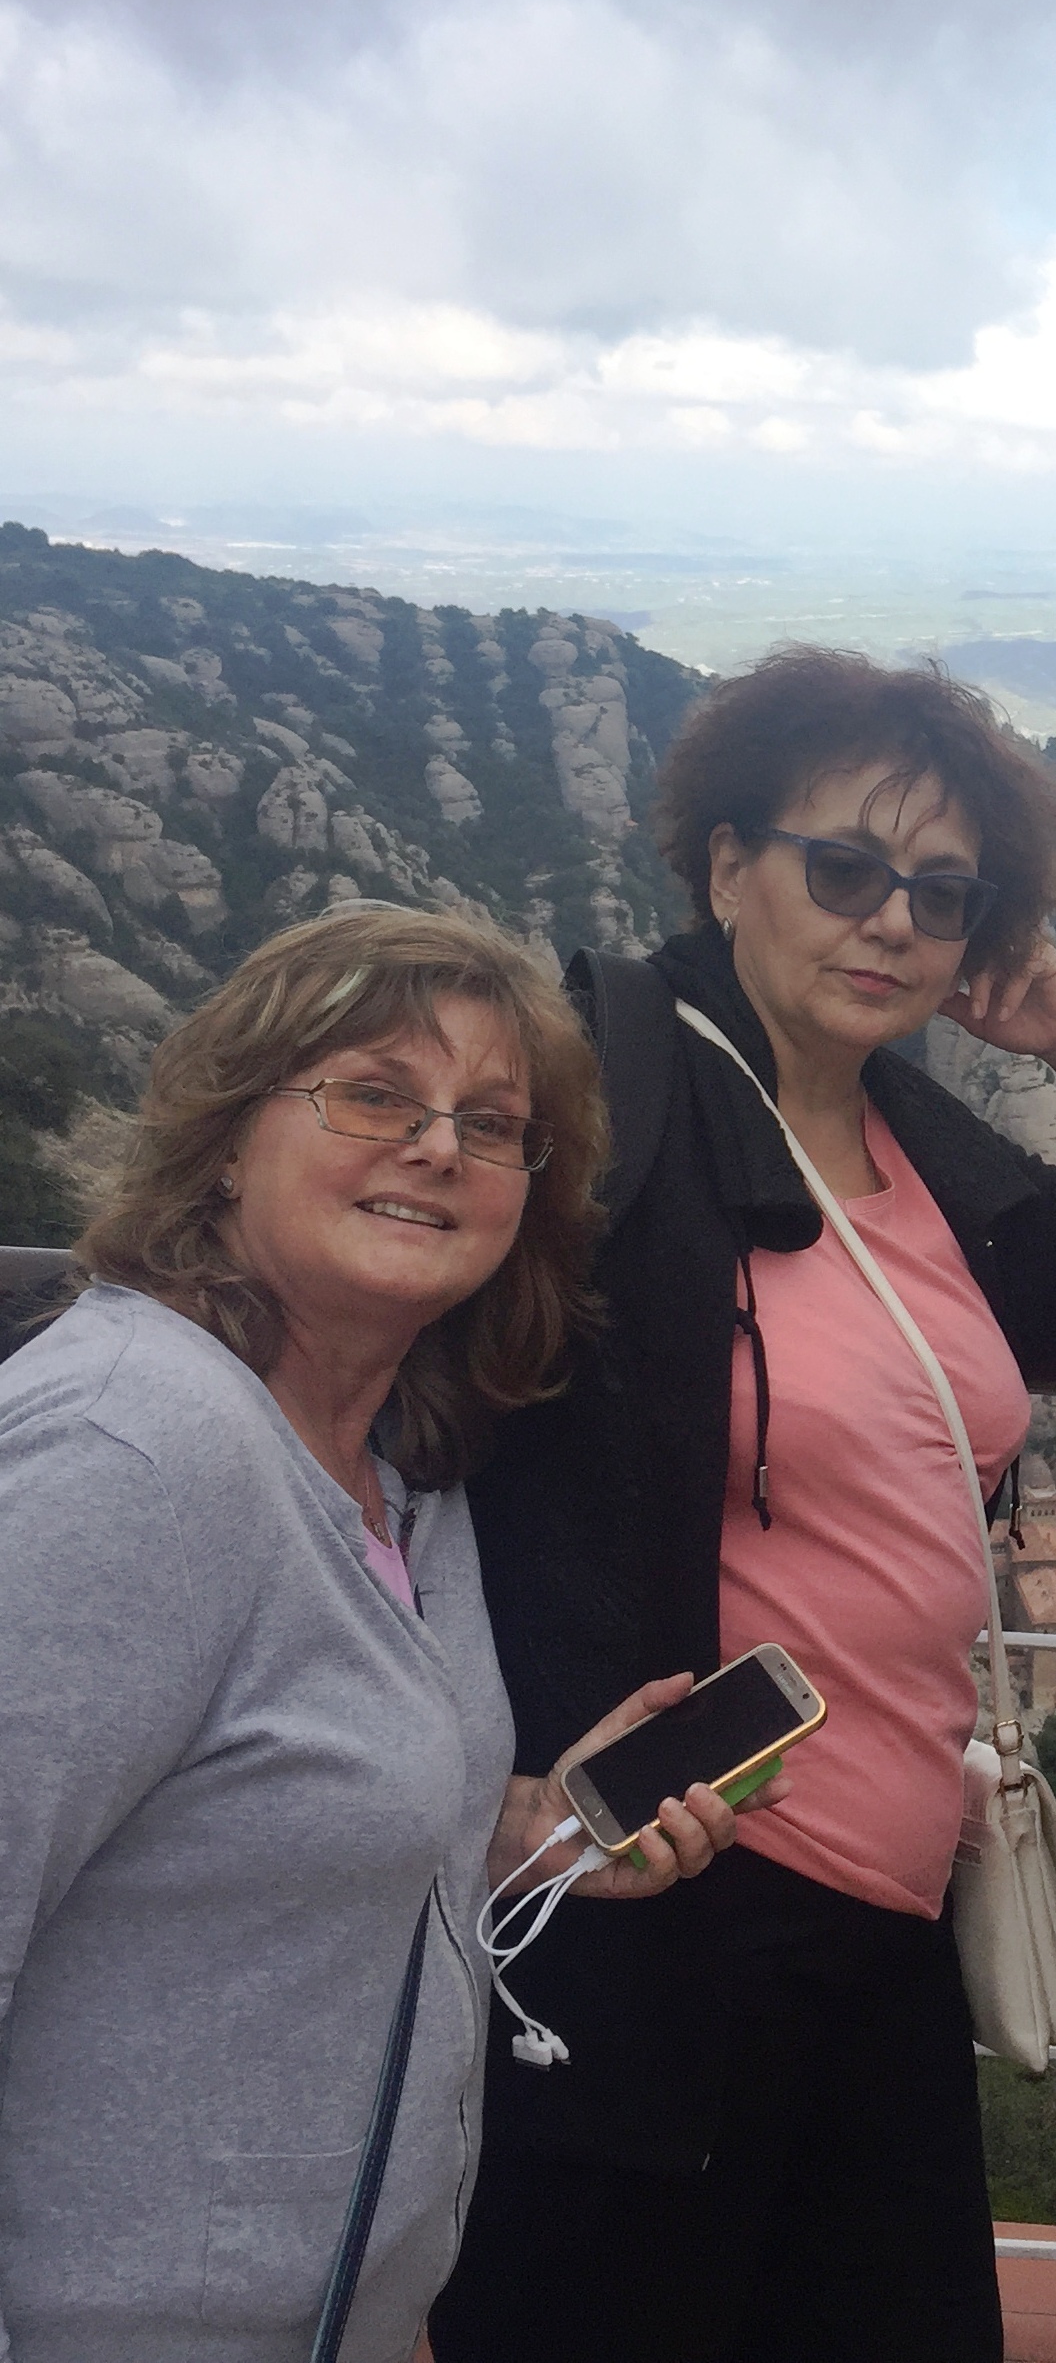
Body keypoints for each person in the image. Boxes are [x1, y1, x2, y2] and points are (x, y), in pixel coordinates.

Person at [432, 648, 1056, 2363]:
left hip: (890, 1898)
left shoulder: (918, 1145)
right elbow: (408, 1402)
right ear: (729, 865)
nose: (892, 924)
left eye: (943, 896)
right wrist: (476, 1787)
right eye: (845, 869)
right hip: (679, 1893)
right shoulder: (607, 1110)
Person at [0, 905, 752, 2363]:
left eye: (493, 1124)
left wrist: (517, 1825)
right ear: (228, 1139)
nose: (437, 1148)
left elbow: (248, 1832)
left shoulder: (399, 1473)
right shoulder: (127, 1457)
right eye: (372, 1096)